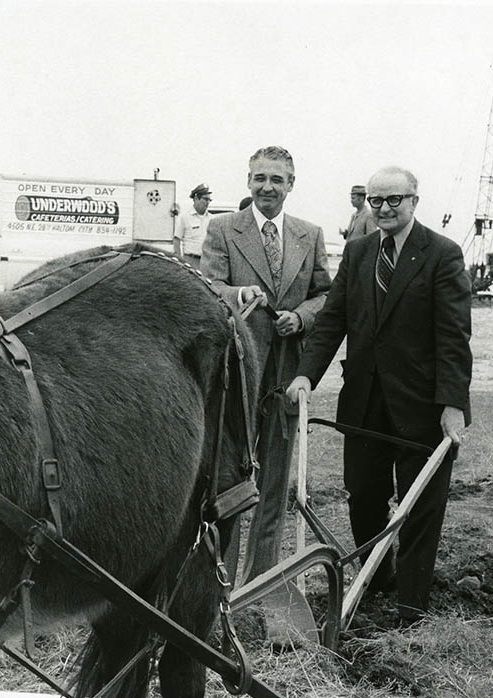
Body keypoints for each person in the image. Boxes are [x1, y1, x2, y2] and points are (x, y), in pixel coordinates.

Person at [287, 166, 472, 624]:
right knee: (363, 497)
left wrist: (453, 404)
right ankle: (377, 578)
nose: (385, 209)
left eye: (394, 200)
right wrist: (306, 374)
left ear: (414, 200)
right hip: (365, 401)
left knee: (420, 505)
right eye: (377, 201)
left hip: (422, 407)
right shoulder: (358, 252)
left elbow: (454, 337)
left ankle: (412, 605)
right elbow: (333, 320)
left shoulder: (442, 254)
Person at [200, 145, 331, 588]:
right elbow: (208, 286)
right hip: (236, 370)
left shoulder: (309, 235)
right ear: (248, 181)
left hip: (287, 374)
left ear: (291, 184)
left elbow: (326, 295)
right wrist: (237, 295)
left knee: (275, 478)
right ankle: (221, 584)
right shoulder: (223, 229)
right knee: (232, 476)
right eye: (259, 178)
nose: (267, 187)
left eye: (276, 179)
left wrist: (303, 317)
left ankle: (261, 583)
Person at [174, 183, 213, 264]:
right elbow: (177, 240)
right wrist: (179, 260)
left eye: (209, 200)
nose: (208, 202)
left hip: (207, 262)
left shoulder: (212, 219)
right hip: (190, 260)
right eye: (205, 199)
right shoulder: (184, 217)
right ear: (196, 198)